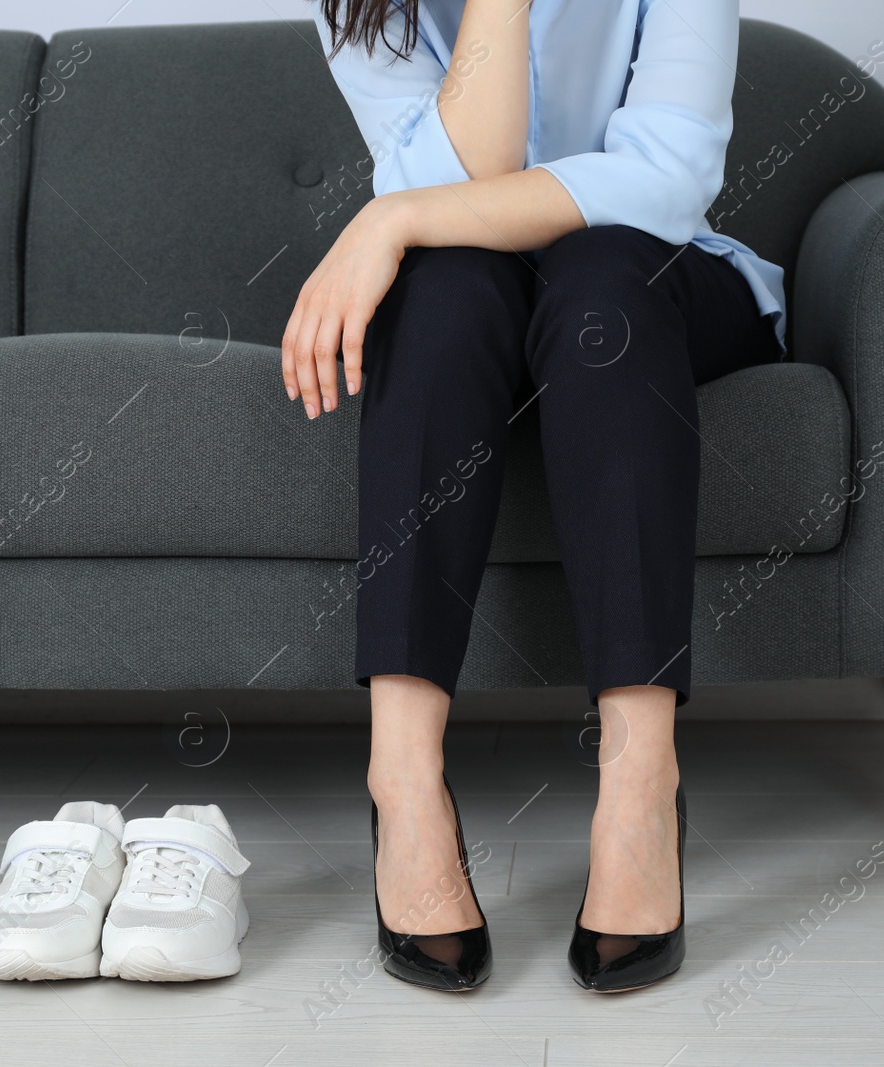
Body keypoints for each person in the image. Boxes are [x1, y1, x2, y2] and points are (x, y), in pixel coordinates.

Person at [285, 0, 786, 993]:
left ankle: (641, 784)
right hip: (473, 306)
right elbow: (460, 180)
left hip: (656, 286)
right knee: (442, 289)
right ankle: (405, 781)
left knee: (598, 273)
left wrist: (389, 215)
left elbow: (664, 182)